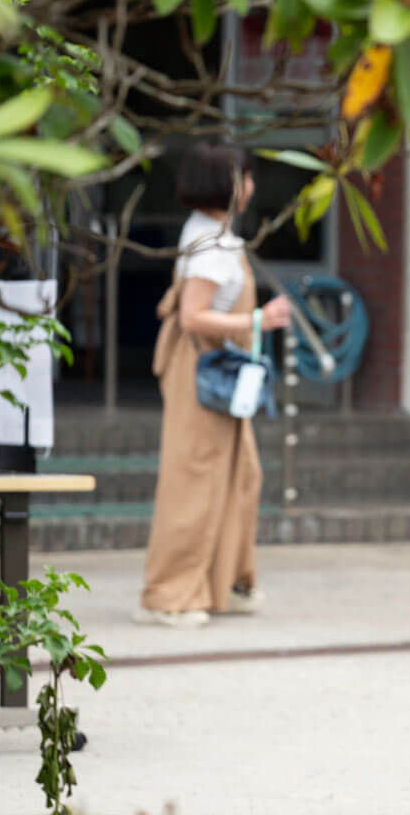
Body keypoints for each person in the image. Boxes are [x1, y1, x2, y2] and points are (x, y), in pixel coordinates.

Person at [138, 144, 290, 628]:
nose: (250, 187)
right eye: (244, 177)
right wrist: (260, 318)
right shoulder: (213, 244)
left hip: (213, 372)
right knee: (195, 481)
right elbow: (192, 315)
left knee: (241, 474)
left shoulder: (209, 234)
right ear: (227, 184)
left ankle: (228, 580)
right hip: (203, 374)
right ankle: (170, 596)